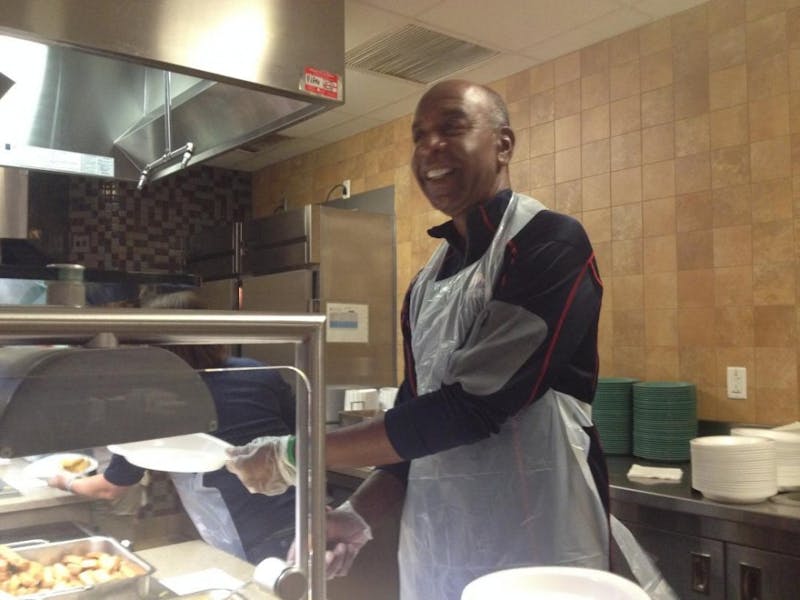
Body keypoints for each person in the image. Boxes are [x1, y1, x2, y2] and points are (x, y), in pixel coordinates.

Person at [226, 79, 610, 599]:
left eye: (452, 127)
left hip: (538, 543)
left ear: (503, 144)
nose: (430, 147)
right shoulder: (426, 283)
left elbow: (470, 407)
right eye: (419, 135)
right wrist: (356, 514)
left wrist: (299, 453)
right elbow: (416, 416)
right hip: (439, 548)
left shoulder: (549, 243)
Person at [49, 290, 297, 564]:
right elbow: (302, 440)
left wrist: (65, 481)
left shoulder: (156, 400)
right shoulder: (259, 371)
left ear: (155, 347)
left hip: (252, 539)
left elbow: (110, 488)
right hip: (305, 518)